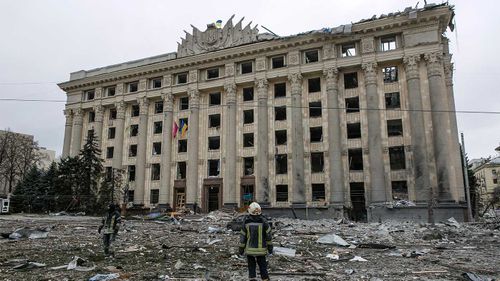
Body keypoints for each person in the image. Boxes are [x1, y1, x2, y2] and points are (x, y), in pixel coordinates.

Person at [239, 202, 273, 281]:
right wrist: (270, 249)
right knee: (263, 267)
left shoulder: (246, 222)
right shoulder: (264, 222)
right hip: (261, 251)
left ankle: (252, 278)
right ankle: (265, 279)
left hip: (250, 250)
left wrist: (241, 250)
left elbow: (242, 238)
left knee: (251, 267)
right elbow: (269, 237)